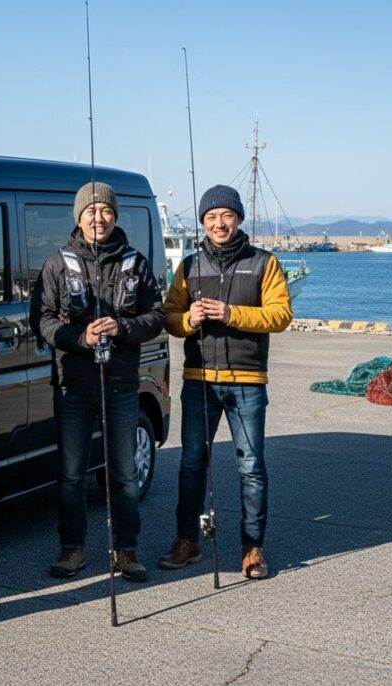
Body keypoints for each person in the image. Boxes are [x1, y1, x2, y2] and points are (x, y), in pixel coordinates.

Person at [30, 182, 163, 581]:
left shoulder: (136, 263)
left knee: (124, 473)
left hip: (121, 384)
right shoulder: (58, 263)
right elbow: (42, 321)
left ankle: (127, 550)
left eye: (105, 211)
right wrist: (79, 337)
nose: (98, 218)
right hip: (72, 384)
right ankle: (72, 548)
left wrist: (122, 328)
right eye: (90, 211)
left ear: (115, 216)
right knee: (71, 474)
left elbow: (156, 316)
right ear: (79, 217)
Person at [158, 184, 292, 579]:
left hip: (248, 381)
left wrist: (231, 313)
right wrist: (190, 319)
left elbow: (280, 315)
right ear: (203, 222)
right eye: (211, 217)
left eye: (227, 216)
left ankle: (252, 548)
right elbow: (170, 317)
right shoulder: (188, 266)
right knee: (191, 463)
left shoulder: (264, 262)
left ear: (238, 219)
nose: (219, 223)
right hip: (199, 380)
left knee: (251, 467)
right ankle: (187, 541)